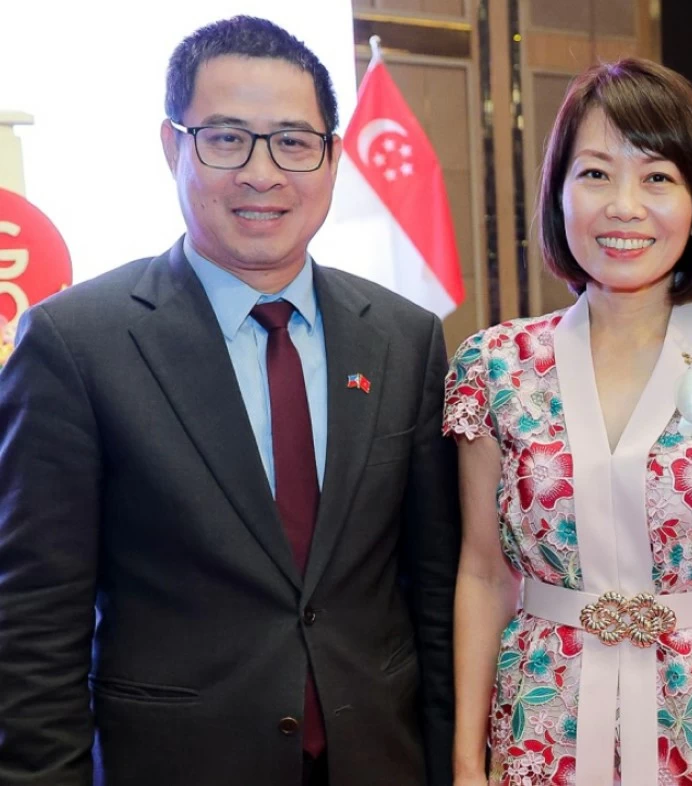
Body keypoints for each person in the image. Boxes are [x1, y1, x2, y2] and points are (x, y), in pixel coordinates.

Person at [0, 16, 458, 786]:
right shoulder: (77, 343)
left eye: (292, 141)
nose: (262, 172)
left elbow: (436, 593)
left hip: (380, 760)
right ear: (173, 147)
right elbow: (33, 627)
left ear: (333, 157)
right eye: (226, 139)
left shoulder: (405, 340)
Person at [444, 58, 692, 785]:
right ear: (558, 193)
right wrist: (470, 764)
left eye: (657, 178)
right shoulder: (496, 365)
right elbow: (483, 571)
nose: (623, 205)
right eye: (595, 174)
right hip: (544, 729)